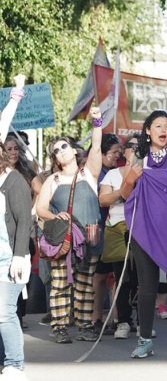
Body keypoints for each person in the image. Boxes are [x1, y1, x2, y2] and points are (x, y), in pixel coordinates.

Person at [121, 110, 167, 358]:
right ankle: (144, 340)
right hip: (145, 229)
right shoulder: (138, 156)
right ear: (147, 131)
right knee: (147, 286)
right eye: (158, 126)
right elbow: (124, 194)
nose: (164, 130)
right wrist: (130, 178)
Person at [35, 107, 104, 344]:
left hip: (90, 238)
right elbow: (40, 209)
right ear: (54, 159)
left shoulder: (89, 174)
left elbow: (96, 147)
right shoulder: (52, 181)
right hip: (63, 240)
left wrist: (97, 121)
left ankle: (85, 326)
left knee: (86, 284)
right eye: (56, 151)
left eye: (64, 146)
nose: (61, 152)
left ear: (74, 150)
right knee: (60, 285)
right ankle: (60, 328)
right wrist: (56, 217)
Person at [0, 79, 33, 378]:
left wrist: (20, 256)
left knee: (3, 313)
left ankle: (14, 365)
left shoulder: (13, 181)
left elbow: (25, 220)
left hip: (9, 258)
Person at [97, 134, 141, 339]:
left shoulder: (148, 174)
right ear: (124, 151)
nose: (134, 149)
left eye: (138, 147)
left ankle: (142, 321)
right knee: (121, 277)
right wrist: (121, 192)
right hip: (116, 228)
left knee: (141, 277)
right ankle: (123, 321)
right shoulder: (112, 175)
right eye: (130, 146)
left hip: (141, 228)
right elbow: (103, 199)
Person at [91, 133, 121, 333]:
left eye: (120, 151)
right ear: (102, 154)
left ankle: (117, 318)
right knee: (100, 276)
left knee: (119, 276)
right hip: (99, 228)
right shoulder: (95, 173)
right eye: (113, 152)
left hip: (117, 229)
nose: (118, 155)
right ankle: (95, 319)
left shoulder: (120, 171)